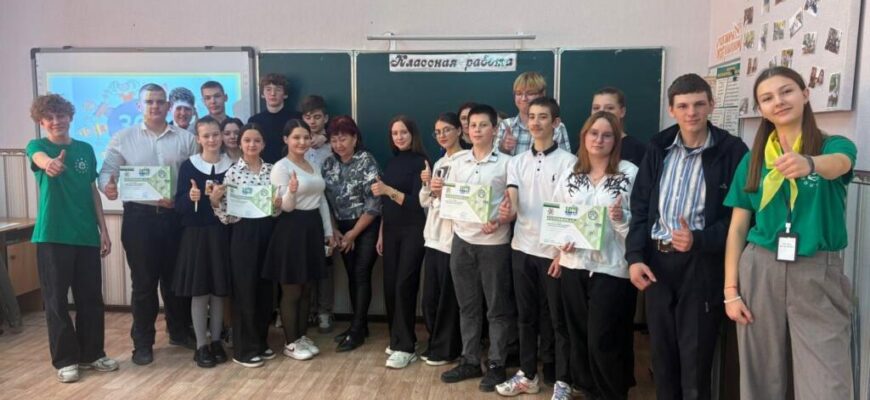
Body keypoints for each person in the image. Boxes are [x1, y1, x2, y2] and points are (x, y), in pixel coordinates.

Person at [723, 66, 856, 399]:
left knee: (828, 383)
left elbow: (841, 164)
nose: (778, 101)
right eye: (767, 98)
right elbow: (738, 228)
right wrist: (730, 291)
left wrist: (810, 163)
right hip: (760, 268)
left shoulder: (831, 145)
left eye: (786, 91)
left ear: (805, 94)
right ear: (761, 109)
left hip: (816, 271)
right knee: (761, 377)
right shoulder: (753, 160)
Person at [625, 73, 748, 400]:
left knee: (695, 362)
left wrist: (699, 239)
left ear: (711, 105)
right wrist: (635, 257)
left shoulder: (732, 150)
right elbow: (640, 206)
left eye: (698, 104)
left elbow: (740, 219)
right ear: (672, 109)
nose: (691, 112)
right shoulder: (658, 147)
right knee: (662, 359)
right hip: (658, 264)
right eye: (683, 106)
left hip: (702, 266)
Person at [99, 83, 198, 365]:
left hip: (175, 219)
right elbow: (106, 173)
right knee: (143, 284)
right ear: (139, 106)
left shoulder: (186, 139)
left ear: (168, 106)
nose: (155, 106)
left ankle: (179, 332)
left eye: (159, 101)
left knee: (176, 281)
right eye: (149, 102)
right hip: (139, 219)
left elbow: (194, 177)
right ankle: (142, 344)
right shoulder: (123, 138)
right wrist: (108, 187)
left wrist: (179, 200)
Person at [26, 94, 118, 383]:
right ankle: (65, 360)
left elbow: (92, 190)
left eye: (61, 116)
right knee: (56, 301)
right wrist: (49, 164)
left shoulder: (85, 149)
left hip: (86, 235)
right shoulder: (38, 146)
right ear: (42, 122)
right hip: (53, 235)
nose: (56, 121)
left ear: (70, 117)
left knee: (91, 298)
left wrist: (103, 229)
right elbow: (40, 160)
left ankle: (92, 354)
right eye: (49, 118)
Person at [552, 111, 638, 400]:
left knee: (604, 338)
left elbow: (640, 225)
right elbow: (557, 215)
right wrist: (561, 243)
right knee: (579, 335)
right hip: (574, 263)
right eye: (593, 133)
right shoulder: (570, 172)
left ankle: (612, 393)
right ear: (584, 136)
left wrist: (621, 218)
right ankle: (588, 390)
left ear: (616, 140)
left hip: (612, 267)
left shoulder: (629, 173)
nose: (599, 140)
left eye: (606, 135)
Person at [495, 97, 576, 397]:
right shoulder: (516, 162)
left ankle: (562, 380)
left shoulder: (570, 162)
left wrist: (560, 253)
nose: (536, 122)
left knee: (557, 320)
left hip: (554, 254)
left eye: (543, 117)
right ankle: (528, 374)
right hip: (522, 248)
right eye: (532, 117)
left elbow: (570, 210)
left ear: (556, 123)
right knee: (525, 316)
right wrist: (510, 210)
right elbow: (513, 195)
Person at [439, 104, 515, 393]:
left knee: (497, 309)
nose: (478, 130)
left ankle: (496, 364)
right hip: (462, 241)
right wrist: (439, 192)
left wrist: (501, 219)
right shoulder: (458, 162)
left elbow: (513, 206)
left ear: (494, 129)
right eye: (473, 125)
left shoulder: (507, 163)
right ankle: (470, 359)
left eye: (484, 125)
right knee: (468, 306)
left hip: (493, 244)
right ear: (466, 130)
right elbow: (450, 199)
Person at [212, 123, 282, 368]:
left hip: (268, 231)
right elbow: (226, 214)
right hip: (243, 234)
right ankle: (244, 350)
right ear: (240, 144)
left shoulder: (272, 171)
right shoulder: (232, 173)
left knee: (264, 291)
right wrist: (214, 201)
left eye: (257, 140)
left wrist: (278, 203)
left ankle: (260, 342)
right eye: (247, 140)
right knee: (245, 291)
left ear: (264, 144)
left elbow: (276, 210)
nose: (252, 144)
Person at [265, 119, 334, 361]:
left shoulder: (312, 164)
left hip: (312, 228)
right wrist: (292, 191)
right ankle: (290, 342)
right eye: (296, 137)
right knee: (292, 289)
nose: (302, 142)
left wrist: (328, 231)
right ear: (286, 140)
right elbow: (284, 207)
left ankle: (301, 336)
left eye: (306, 137)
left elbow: (321, 199)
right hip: (291, 230)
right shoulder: (281, 167)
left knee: (307, 289)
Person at [173, 116, 234, 368]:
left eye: (215, 134)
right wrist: (190, 197)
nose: (211, 139)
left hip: (221, 234)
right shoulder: (188, 166)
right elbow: (179, 205)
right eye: (206, 136)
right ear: (198, 139)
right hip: (196, 235)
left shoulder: (232, 166)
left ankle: (217, 341)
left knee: (219, 290)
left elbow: (236, 205)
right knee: (200, 291)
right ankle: (201, 345)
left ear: (222, 136)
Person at [371, 115, 429, 369]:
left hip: (413, 231)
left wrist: (387, 190)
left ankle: (406, 347)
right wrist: (382, 234)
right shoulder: (392, 162)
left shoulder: (422, 162)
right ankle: (398, 339)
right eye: (394, 133)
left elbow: (417, 203)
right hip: (391, 231)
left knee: (405, 285)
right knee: (391, 286)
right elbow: (386, 205)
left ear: (412, 134)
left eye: (403, 132)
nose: (399, 137)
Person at [321, 115, 382, 352]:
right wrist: (334, 229)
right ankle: (359, 326)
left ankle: (356, 330)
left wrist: (353, 234)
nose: (339, 144)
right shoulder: (328, 164)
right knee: (351, 275)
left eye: (343, 138)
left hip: (365, 225)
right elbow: (324, 200)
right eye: (334, 139)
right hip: (341, 226)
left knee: (361, 273)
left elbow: (374, 204)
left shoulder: (366, 161)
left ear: (355, 138)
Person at [419, 112, 467, 367]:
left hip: (453, 239)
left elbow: (463, 201)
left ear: (459, 130)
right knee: (431, 298)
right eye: (437, 132)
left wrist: (440, 194)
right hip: (433, 237)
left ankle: (448, 349)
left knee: (449, 299)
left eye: (447, 130)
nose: (442, 135)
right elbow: (425, 201)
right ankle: (435, 342)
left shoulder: (467, 160)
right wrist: (428, 186)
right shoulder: (438, 162)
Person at [301, 94, 336, 334]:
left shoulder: (333, 145)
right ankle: (308, 310)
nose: (312, 121)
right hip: (304, 211)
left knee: (326, 264)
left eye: (316, 117)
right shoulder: (297, 145)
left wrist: (328, 137)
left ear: (325, 118)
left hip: (330, 209)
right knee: (306, 264)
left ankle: (324, 311)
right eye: (307, 117)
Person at [496, 72, 571, 155]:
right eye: (519, 93)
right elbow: (493, 160)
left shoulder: (556, 127)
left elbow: (564, 159)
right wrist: (503, 148)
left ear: (542, 95)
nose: (524, 98)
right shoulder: (505, 125)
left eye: (530, 93)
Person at [248, 73, 302, 164]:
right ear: (262, 94)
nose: (273, 94)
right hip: (263, 168)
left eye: (278, 90)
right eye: (268, 89)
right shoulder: (254, 121)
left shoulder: (297, 118)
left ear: (285, 94)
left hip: (291, 166)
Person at [591, 87, 647, 166]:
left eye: (610, 108)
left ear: (622, 112)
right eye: (596, 108)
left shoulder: (637, 150)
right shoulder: (584, 147)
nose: (601, 112)